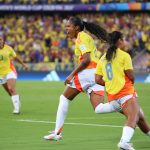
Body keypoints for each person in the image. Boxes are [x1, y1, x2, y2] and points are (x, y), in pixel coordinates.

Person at [44, 17, 116, 140]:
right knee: (98, 108)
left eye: (68, 26)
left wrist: (72, 74)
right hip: (97, 73)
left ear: (76, 27)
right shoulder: (84, 37)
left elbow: (86, 60)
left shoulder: (81, 37)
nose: (66, 29)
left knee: (64, 98)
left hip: (88, 73)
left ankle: (57, 133)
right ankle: (123, 104)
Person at [95, 31, 150, 150]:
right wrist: (131, 83)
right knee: (133, 117)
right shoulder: (124, 55)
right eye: (123, 39)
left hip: (113, 98)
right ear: (119, 41)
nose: (124, 41)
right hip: (125, 93)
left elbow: (97, 79)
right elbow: (131, 76)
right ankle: (124, 142)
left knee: (140, 117)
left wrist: (110, 83)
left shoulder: (102, 58)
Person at [0, 36, 28, 114]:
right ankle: (17, 99)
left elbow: (16, 57)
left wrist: (23, 64)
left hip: (10, 71)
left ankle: (16, 109)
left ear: (3, 40)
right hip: (1, 75)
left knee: (11, 88)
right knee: (9, 92)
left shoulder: (8, 48)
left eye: (0, 39)